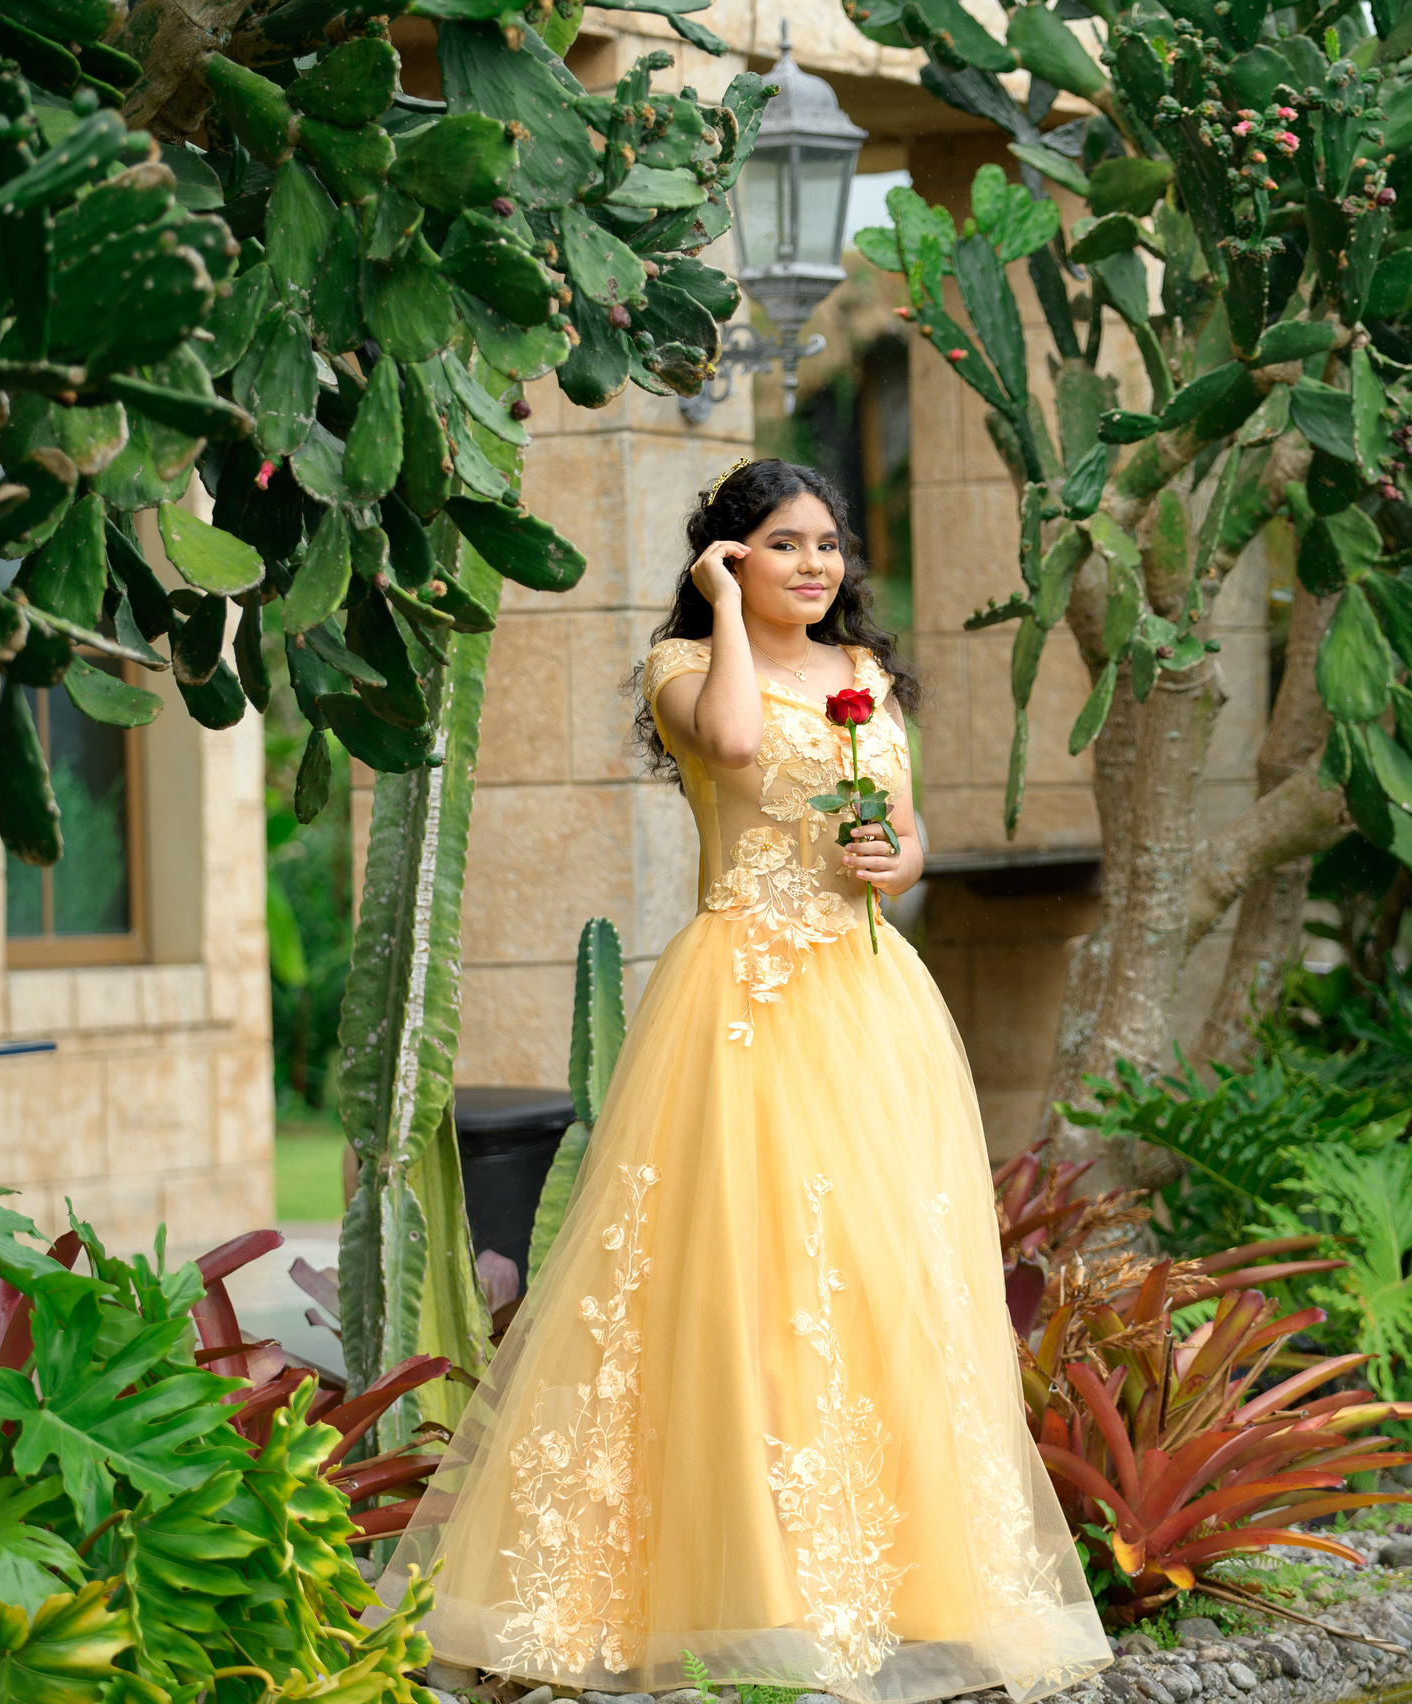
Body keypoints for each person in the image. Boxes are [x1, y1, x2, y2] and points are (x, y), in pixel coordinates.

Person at [380, 459, 1112, 1704]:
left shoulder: (868, 678)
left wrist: (899, 857)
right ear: (727, 557)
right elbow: (728, 744)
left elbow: (904, 823)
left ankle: (899, 1586)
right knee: (745, 1282)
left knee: (881, 1278)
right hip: (743, 1005)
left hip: (869, 1004)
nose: (817, 566)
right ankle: (735, 1595)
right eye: (782, 545)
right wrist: (717, 610)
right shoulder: (683, 671)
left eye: (828, 544)